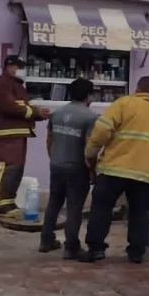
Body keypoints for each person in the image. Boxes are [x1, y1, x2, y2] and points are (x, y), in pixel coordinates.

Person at [80, 77, 149, 264]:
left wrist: (90, 156)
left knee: (101, 209)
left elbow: (101, 131)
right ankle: (136, 253)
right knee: (140, 213)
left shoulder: (123, 104)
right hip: (147, 174)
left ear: (137, 89)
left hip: (113, 169)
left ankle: (95, 249)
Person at [39, 78, 97, 257]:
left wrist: (54, 159)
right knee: (74, 208)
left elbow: (49, 139)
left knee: (54, 203)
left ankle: (46, 240)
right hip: (77, 168)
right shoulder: (90, 117)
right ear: (88, 96)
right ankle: (71, 247)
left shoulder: (57, 113)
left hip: (57, 165)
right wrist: (93, 170)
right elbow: (90, 148)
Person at [0, 54, 51, 216]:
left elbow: (21, 107)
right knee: (7, 167)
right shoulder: (3, 83)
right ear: (9, 66)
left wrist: (38, 114)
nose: (21, 70)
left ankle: (8, 202)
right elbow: (9, 106)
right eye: (19, 66)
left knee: (16, 168)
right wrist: (35, 112)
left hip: (18, 132)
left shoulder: (15, 84)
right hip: (7, 132)